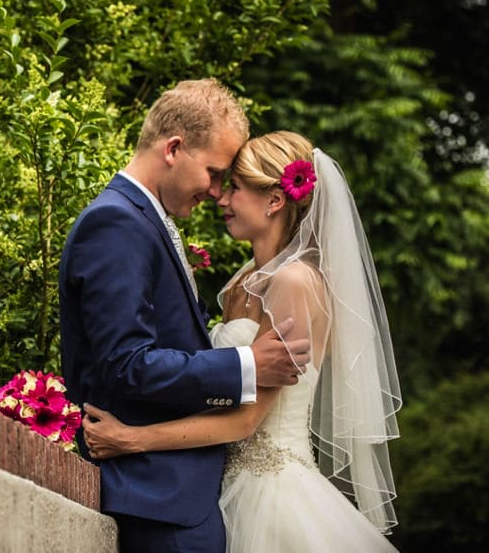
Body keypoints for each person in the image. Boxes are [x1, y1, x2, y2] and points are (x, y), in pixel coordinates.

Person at [82, 131, 403, 552]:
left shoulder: (294, 282)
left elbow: (247, 420)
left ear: (274, 200)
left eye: (234, 187)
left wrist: (132, 439)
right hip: (218, 486)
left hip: (270, 491)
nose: (221, 199)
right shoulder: (243, 281)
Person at [58, 82, 311, 552]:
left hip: (185, 494)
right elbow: (126, 364)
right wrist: (246, 364)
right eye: (216, 174)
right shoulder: (118, 222)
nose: (216, 194)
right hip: (160, 499)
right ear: (174, 149)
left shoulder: (146, 221)